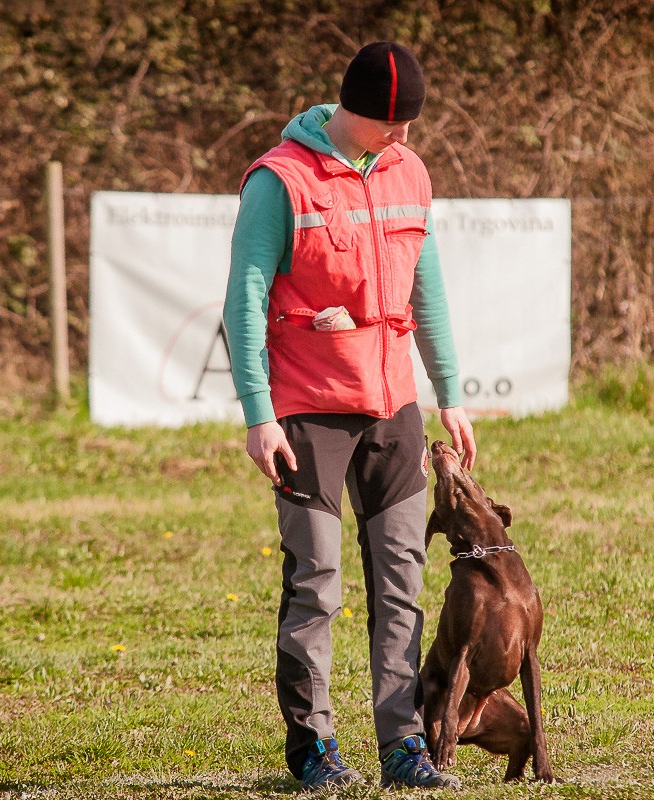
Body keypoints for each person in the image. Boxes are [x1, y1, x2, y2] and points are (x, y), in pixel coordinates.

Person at [222, 41, 477, 791]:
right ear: (350, 109)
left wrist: (449, 392)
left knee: (401, 579)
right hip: (306, 411)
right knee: (317, 583)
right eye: (389, 122)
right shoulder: (280, 180)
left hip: (393, 406)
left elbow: (427, 288)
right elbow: (243, 300)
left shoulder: (409, 171)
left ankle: (404, 746)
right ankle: (314, 748)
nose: (402, 135)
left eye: (409, 123)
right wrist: (259, 414)